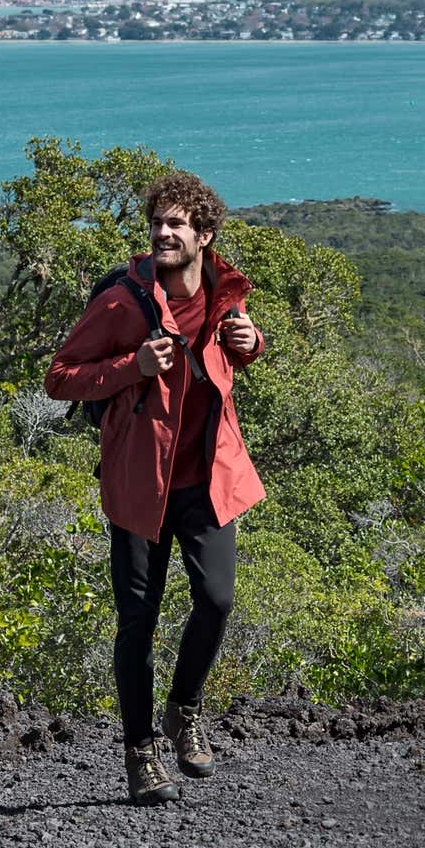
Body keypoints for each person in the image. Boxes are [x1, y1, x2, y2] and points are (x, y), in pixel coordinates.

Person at [45, 173, 266, 806]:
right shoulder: (121, 301)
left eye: (177, 224)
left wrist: (252, 345)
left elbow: (225, 358)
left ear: (205, 235)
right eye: (158, 223)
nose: (164, 233)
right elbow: (60, 377)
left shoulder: (228, 293)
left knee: (217, 600)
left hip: (207, 477)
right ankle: (140, 752)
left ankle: (183, 710)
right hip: (141, 484)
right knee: (137, 622)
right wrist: (130, 366)